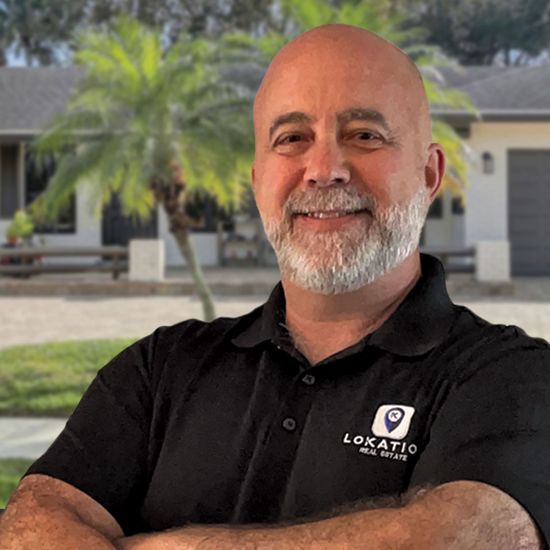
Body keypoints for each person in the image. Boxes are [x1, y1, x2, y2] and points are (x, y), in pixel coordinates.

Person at [1, 23, 549, 550]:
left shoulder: (513, 375)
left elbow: (461, 538)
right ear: (259, 180)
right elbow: (32, 522)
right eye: (292, 138)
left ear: (429, 175)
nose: (324, 169)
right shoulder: (160, 368)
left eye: (364, 135)